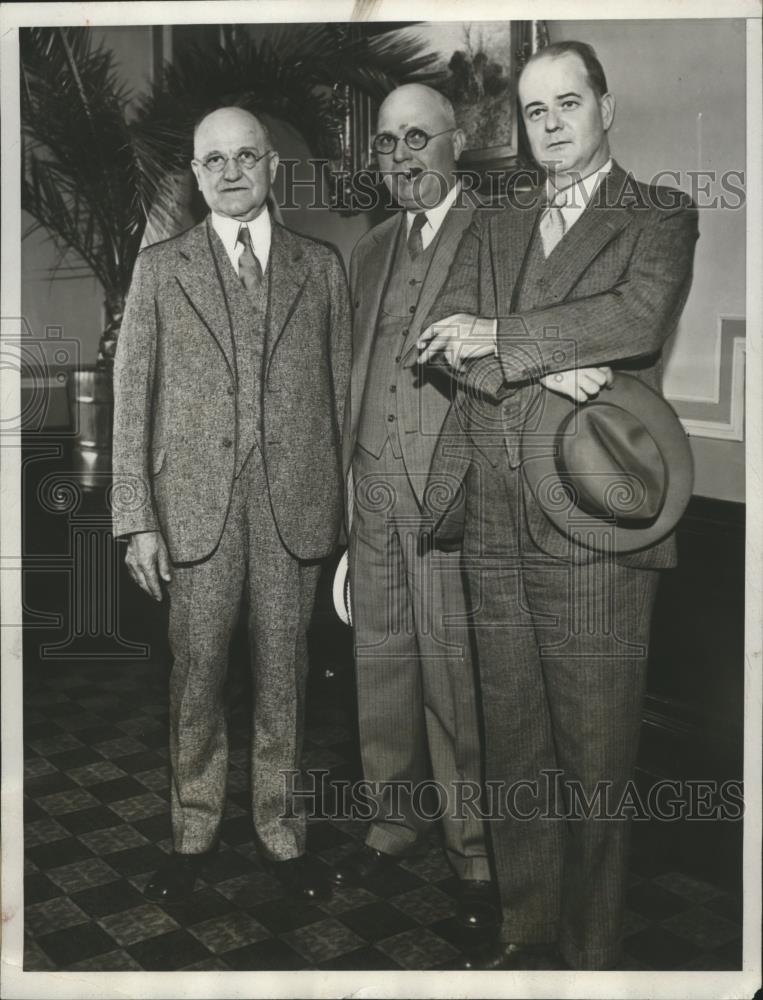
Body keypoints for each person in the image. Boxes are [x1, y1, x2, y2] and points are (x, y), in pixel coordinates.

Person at [416, 41, 699, 969]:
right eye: (534, 111)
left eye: (566, 104)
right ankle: (526, 932)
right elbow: (438, 345)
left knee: (595, 758)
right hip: (494, 519)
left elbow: (635, 320)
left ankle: (589, 956)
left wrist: (503, 337)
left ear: (605, 109)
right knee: (515, 745)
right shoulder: (493, 221)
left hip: (591, 525)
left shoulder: (657, 215)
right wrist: (550, 358)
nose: (549, 125)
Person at [112, 106, 351, 903]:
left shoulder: (320, 267)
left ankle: (282, 835)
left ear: (273, 166)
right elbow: (130, 400)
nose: (231, 171)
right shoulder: (161, 268)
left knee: (285, 676)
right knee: (198, 672)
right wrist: (136, 517)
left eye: (246, 156)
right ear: (194, 173)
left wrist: (347, 517)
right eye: (212, 160)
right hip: (192, 512)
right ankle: (192, 829)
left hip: (296, 508)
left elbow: (342, 400)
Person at [331, 84, 499, 930]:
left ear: (456, 143)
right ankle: (393, 818)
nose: (401, 158)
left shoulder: (499, 237)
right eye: (388, 144)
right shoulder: (366, 251)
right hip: (370, 481)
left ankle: (472, 843)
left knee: (451, 666)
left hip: (449, 488)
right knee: (381, 657)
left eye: (416, 140)